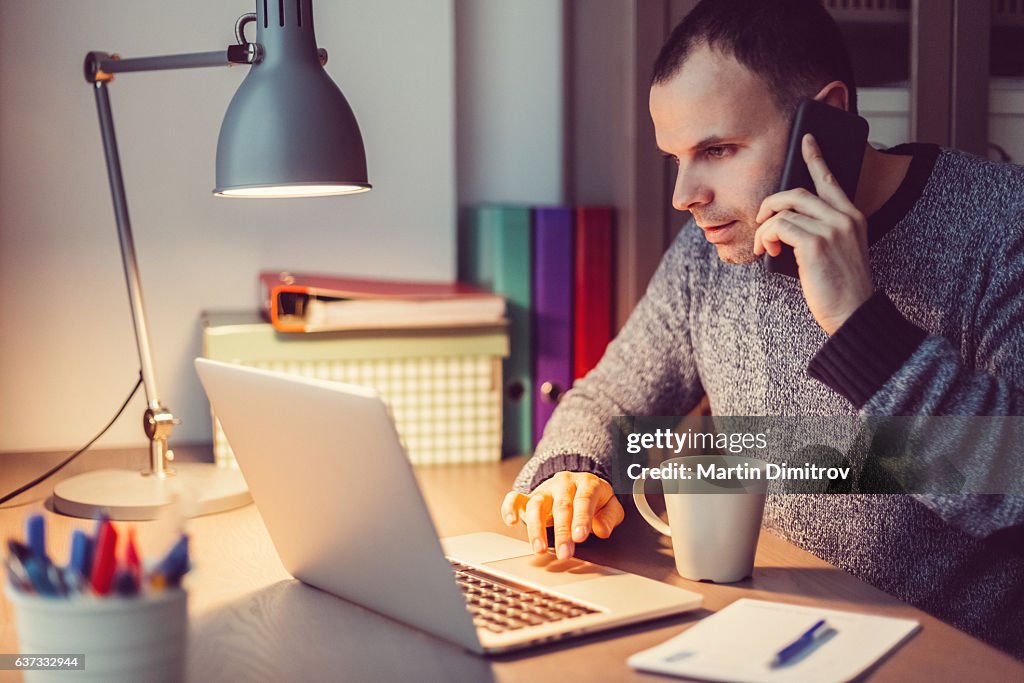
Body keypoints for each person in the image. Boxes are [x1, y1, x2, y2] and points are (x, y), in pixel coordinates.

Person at [500, 0, 1024, 659]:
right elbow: (612, 396)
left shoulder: (1004, 228)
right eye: (676, 158)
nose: (684, 194)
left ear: (827, 118)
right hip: (767, 635)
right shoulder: (713, 250)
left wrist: (859, 320)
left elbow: (1013, 494)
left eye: (716, 150)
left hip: (943, 660)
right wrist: (570, 469)